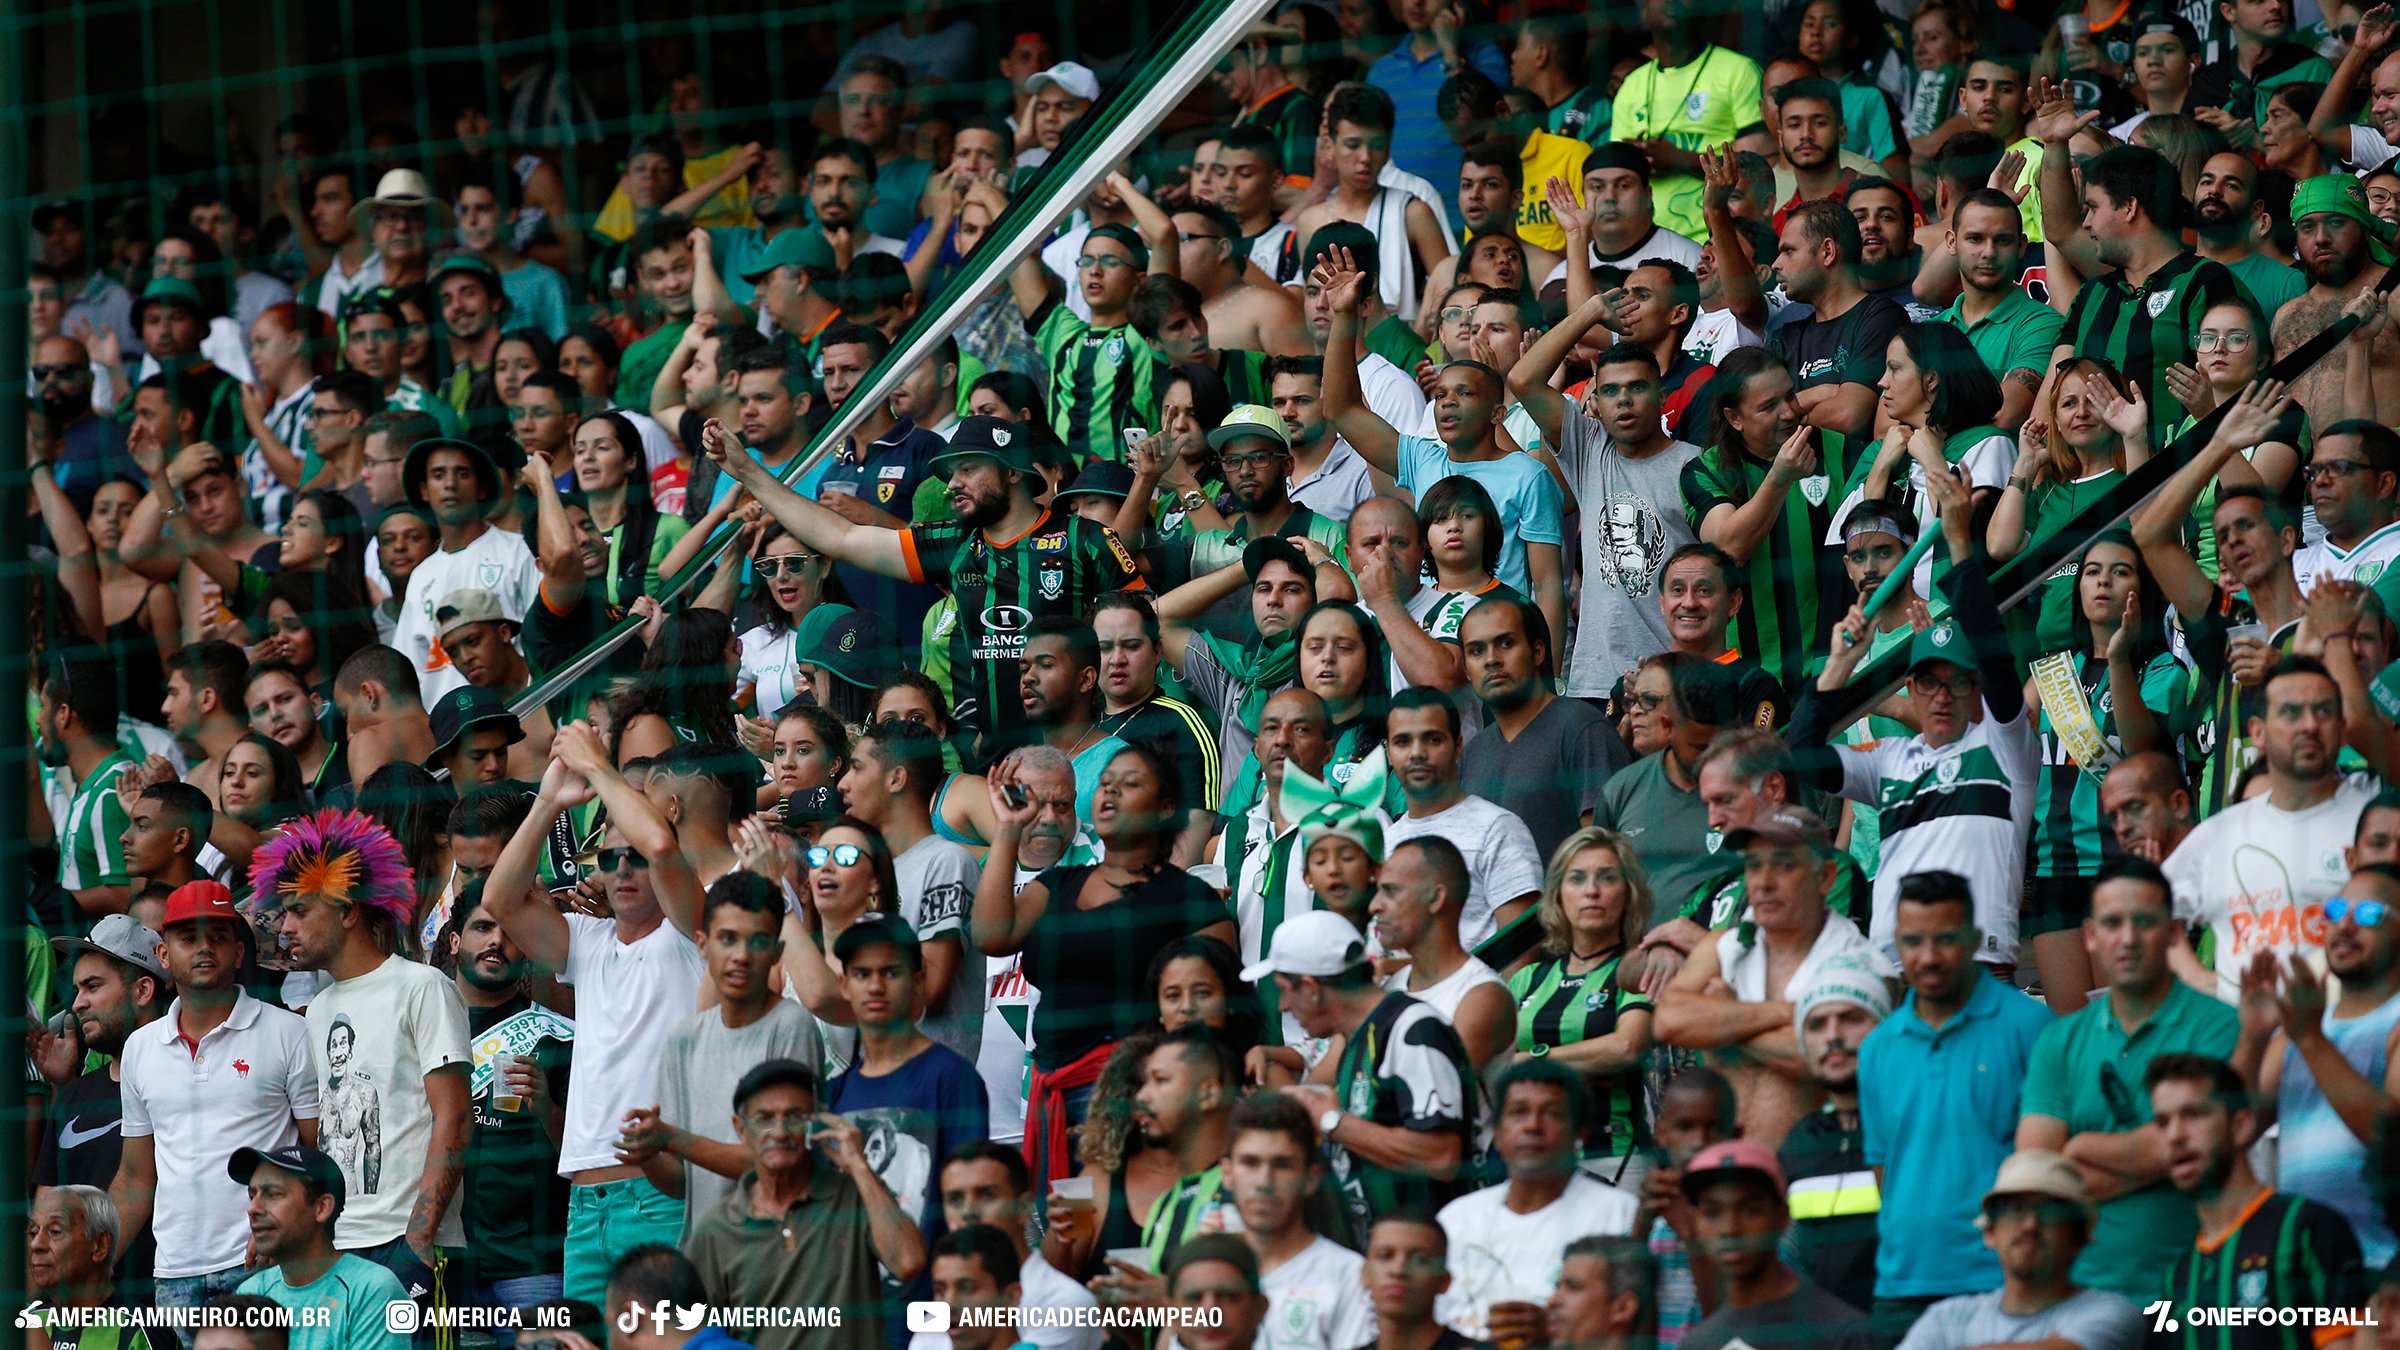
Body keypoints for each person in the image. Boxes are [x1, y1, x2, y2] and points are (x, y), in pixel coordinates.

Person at [711, 414, 1143, 752]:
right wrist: (748, 472)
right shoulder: (953, 542)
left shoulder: (1084, 539)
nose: (953, 483)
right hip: (995, 758)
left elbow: (1145, 624)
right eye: (951, 472)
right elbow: (839, 537)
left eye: (968, 468)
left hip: (1082, 746)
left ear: (1012, 472)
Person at [481, 752, 704, 1306]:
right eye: (609, 857)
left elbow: (663, 846)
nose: (624, 869)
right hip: (583, 1204)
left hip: (661, 1194)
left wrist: (596, 768)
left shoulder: (693, 931)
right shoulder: (586, 940)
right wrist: (549, 801)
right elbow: (498, 899)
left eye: (634, 856)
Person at [1803, 455, 2035, 973]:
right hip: (1892, 953)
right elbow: (1798, 757)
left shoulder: (2006, 751)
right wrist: (1838, 669)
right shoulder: (1890, 760)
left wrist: (1957, 536)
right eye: (1927, 682)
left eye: (1958, 680)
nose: (1942, 695)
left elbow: (1993, 653)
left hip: (1978, 964)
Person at [975, 742, 1235, 1184]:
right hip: (1053, 1093)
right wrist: (1006, 830)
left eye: (1129, 784)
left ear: (1165, 807)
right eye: (1105, 785)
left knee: (1118, 1232)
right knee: (1067, 1235)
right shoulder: (1059, 883)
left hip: (1132, 1097)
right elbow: (992, 936)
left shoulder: (1190, 899)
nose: (1110, 794)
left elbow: (1222, 1014)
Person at [262, 810, 470, 1303]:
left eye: (300, 911)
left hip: (410, 1245)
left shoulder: (423, 987)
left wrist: (419, 1236)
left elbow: (456, 1116)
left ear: (348, 911)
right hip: (336, 1247)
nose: (285, 927)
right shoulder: (318, 1009)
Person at [2011, 860, 2237, 1303]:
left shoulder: (2221, 1026)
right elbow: (2037, 1178)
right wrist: (2159, 1160)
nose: (2128, 939)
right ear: (2090, 937)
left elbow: (2198, 1147)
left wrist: (2078, 1151)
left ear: (2174, 933)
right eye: (2113, 923)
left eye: (2144, 922)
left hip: (2199, 1295)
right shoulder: (2058, 1041)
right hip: (2083, 1298)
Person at [1317, 248, 1567, 643]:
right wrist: (1345, 317)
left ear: (1496, 414)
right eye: (1442, 395)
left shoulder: (1527, 474)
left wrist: (1547, 681)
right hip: (1430, 640)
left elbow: (1549, 588)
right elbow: (1342, 409)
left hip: (1503, 645)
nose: (1447, 402)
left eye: (1464, 393)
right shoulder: (1420, 457)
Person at [1856, 872, 2054, 1341]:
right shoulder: (1878, 1046)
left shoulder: (2033, 1028)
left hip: (2004, 1283)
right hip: (1901, 1286)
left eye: (1944, 939)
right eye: (1911, 941)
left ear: (1972, 938)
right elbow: (1883, 1169)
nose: (1926, 957)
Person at [113, 880, 319, 1320]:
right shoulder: (139, 1047)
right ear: (163, 955)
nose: (205, 948)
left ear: (239, 952)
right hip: (174, 1272)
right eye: (189, 938)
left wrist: (284, 1230)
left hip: (266, 1263)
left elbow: (318, 1150)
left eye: (219, 937)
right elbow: (134, 1177)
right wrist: (97, 1257)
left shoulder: (289, 1033)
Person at [1656, 806, 1895, 1151]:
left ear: (1826, 877)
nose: (1764, 883)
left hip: (1815, 1175)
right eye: (1754, 866)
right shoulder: (1722, 946)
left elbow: (1831, 1062)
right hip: (1724, 1179)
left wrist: (1723, 1022)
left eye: (1783, 866)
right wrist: (1786, 1014)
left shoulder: (1861, 962)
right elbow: (1668, 1020)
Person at [1245, 910, 1476, 1245]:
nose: (1281, 1006)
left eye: (1284, 990)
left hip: (1431, 1258)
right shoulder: (1356, 1039)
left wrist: (1330, 1119)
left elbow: (1441, 1155)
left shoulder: (1412, 1029)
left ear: (1310, 988)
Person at [1508, 324, 1705, 703]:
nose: (1624, 400)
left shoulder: (1694, 465)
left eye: (1637, 387)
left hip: (1675, 677)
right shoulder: (1589, 447)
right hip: (1596, 680)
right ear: (1596, 401)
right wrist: (1592, 311)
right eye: (1610, 391)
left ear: (1662, 396)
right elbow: (1522, 378)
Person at [2163, 656, 2379, 1001]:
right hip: (2245, 1043)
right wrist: (2203, 983)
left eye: (2322, 711)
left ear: (2342, 730)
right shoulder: (2220, 835)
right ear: (2257, 733)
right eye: (2291, 712)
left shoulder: (2376, 827)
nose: (2309, 725)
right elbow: (2152, 914)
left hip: (2350, 1044)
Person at [622, 874, 820, 1240]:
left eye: (757, 941)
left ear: (777, 953)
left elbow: (776, 1161)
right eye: (727, 939)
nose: (741, 956)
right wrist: (649, 1154)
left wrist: (673, 1139)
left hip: (776, 1250)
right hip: (706, 1255)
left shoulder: (792, 1024)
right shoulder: (684, 1038)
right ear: (702, 945)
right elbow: (683, 1182)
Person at [683, 1059, 927, 1350]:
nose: (781, 1132)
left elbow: (908, 1263)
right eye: (764, 1119)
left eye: (795, 1116)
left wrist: (859, 1166)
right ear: (741, 1129)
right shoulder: (717, 1228)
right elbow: (696, 1335)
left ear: (815, 1122)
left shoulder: (853, 1195)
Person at [2232, 863, 2400, 1267]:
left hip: (2379, 1270)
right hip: (2301, 1275)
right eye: (2336, 910)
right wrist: (2253, 1038)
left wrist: (2310, 1040)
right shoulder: (2301, 1027)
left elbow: (2392, 1136)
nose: (2344, 926)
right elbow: (2232, 1131)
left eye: (2367, 914)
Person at [2147, 1053, 2369, 1348]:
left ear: (2241, 1126)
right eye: (2163, 1122)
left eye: (2194, 1114)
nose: (2175, 1135)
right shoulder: (2175, 1279)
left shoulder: (2308, 1229)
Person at [822, 916, 991, 1281]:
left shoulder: (951, 1078)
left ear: (917, 982)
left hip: (932, 1306)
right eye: (862, 974)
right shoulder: (834, 1092)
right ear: (844, 985)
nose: (876, 986)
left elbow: (973, 1205)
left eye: (891, 973)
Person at [1435, 1061, 1642, 1342]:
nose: (1533, 1126)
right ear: (1496, 1133)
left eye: (1553, 1113)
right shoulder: (1457, 1219)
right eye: (1519, 1112)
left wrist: (1554, 1335)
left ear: (1580, 1134)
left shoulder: (1618, 1215)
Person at [443, 877, 573, 1318]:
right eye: (483, 928)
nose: (497, 941)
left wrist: (547, 1109)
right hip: (436, 1262)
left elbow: (587, 1163)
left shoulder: (561, 1037)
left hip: (529, 1268)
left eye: (511, 933)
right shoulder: (413, 1029)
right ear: (455, 939)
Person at [1508, 827, 1657, 1176]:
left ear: (1629, 893)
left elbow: (1626, 1047)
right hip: (1532, 1160)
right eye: (1577, 879)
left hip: (1615, 1158)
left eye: (1607, 878)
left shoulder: (1636, 970)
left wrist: (1534, 1059)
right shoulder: (1527, 979)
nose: (1592, 891)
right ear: (1558, 894)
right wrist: (1589, 1059)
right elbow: (1492, 1065)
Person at [835, 721, 984, 1060]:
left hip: (929, 1090)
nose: (842, 784)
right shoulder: (866, 869)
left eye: (857, 768)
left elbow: (929, 993)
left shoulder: (946, 861)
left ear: (896, 778)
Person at [1892, 1151, 2143, 1350]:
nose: (2031, 1224)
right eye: (2014, 1208)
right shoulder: (1946, 1318)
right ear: (1990, 1232)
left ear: (2077, 1236)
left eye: (2050, 1211)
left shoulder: (2112, 1313)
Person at [1457, 598, 1632, 864]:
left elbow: (1604, 851)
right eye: (1477, 650)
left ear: (1538, 652)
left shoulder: (1582, 729)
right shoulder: (1473, 752)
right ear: (1467, 671)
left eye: (1506, 643)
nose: (1491, 660)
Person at [1382, 689, 1544, 950]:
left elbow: (1523, 954)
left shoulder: (1498, 828)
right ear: (1389, 752)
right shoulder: (1385, 841)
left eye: (1432, 739)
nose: (1417, 753)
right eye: (1402, 742)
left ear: (1458, 746)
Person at [1677, 1140, 1877, 1350]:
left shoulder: (1842, 1334)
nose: (1730, 1228)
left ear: (1781, 1216)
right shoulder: (1697, 1344)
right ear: (1695, 1223)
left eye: (1750, 1210)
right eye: (1713, 1212)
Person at [1778, 955, 1892, 1314]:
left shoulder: (1914, 1128)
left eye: (1851, 1018)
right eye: (1815, 1024)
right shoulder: (1800, 1140)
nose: (1833, 1035)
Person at [1604, 0, 1766, 239]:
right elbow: (1613, 173)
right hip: (1647, 241)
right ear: (1643, 10)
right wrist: (1632, 160)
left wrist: (1681, 159)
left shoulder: (1739, 71)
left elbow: (1758, 169)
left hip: (1719, 238)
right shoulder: (1632, 85)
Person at [392, 437, 538, 701]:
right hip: (448, 729)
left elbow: (541, 637)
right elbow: (409, 666)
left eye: (462, 473)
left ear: (481, 488)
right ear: (424, 490)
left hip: (516, 711)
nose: (450, 484)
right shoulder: (421, 576)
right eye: (438, 475)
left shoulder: (519, 552)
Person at [1371, 834, 1515, 1093]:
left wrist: (1332, 1119)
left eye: (1390, 891)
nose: (1375, 906)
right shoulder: (1388, 985)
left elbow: (1427, 1099)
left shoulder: (1482, 997)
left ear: (1436, 898)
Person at [926, 1141, 1102, 1350]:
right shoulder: (939, 1311)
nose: (968, 1212)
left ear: (1024, 1208)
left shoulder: (1067, 1304)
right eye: (955, 1199)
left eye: (986, 1195)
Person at [230, 1145, 409, 1349]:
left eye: (272, 1194)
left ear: (322, 1208)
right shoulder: (252, 1292)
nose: (252, 1208)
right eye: (253, 1195)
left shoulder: (371, 1290)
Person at [24, 1186, 166, 1350]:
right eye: (33, 1232)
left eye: (55, 1231)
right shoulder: (27, 1322)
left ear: (100, 1245)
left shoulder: (137, 1330)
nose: (36, 1244)